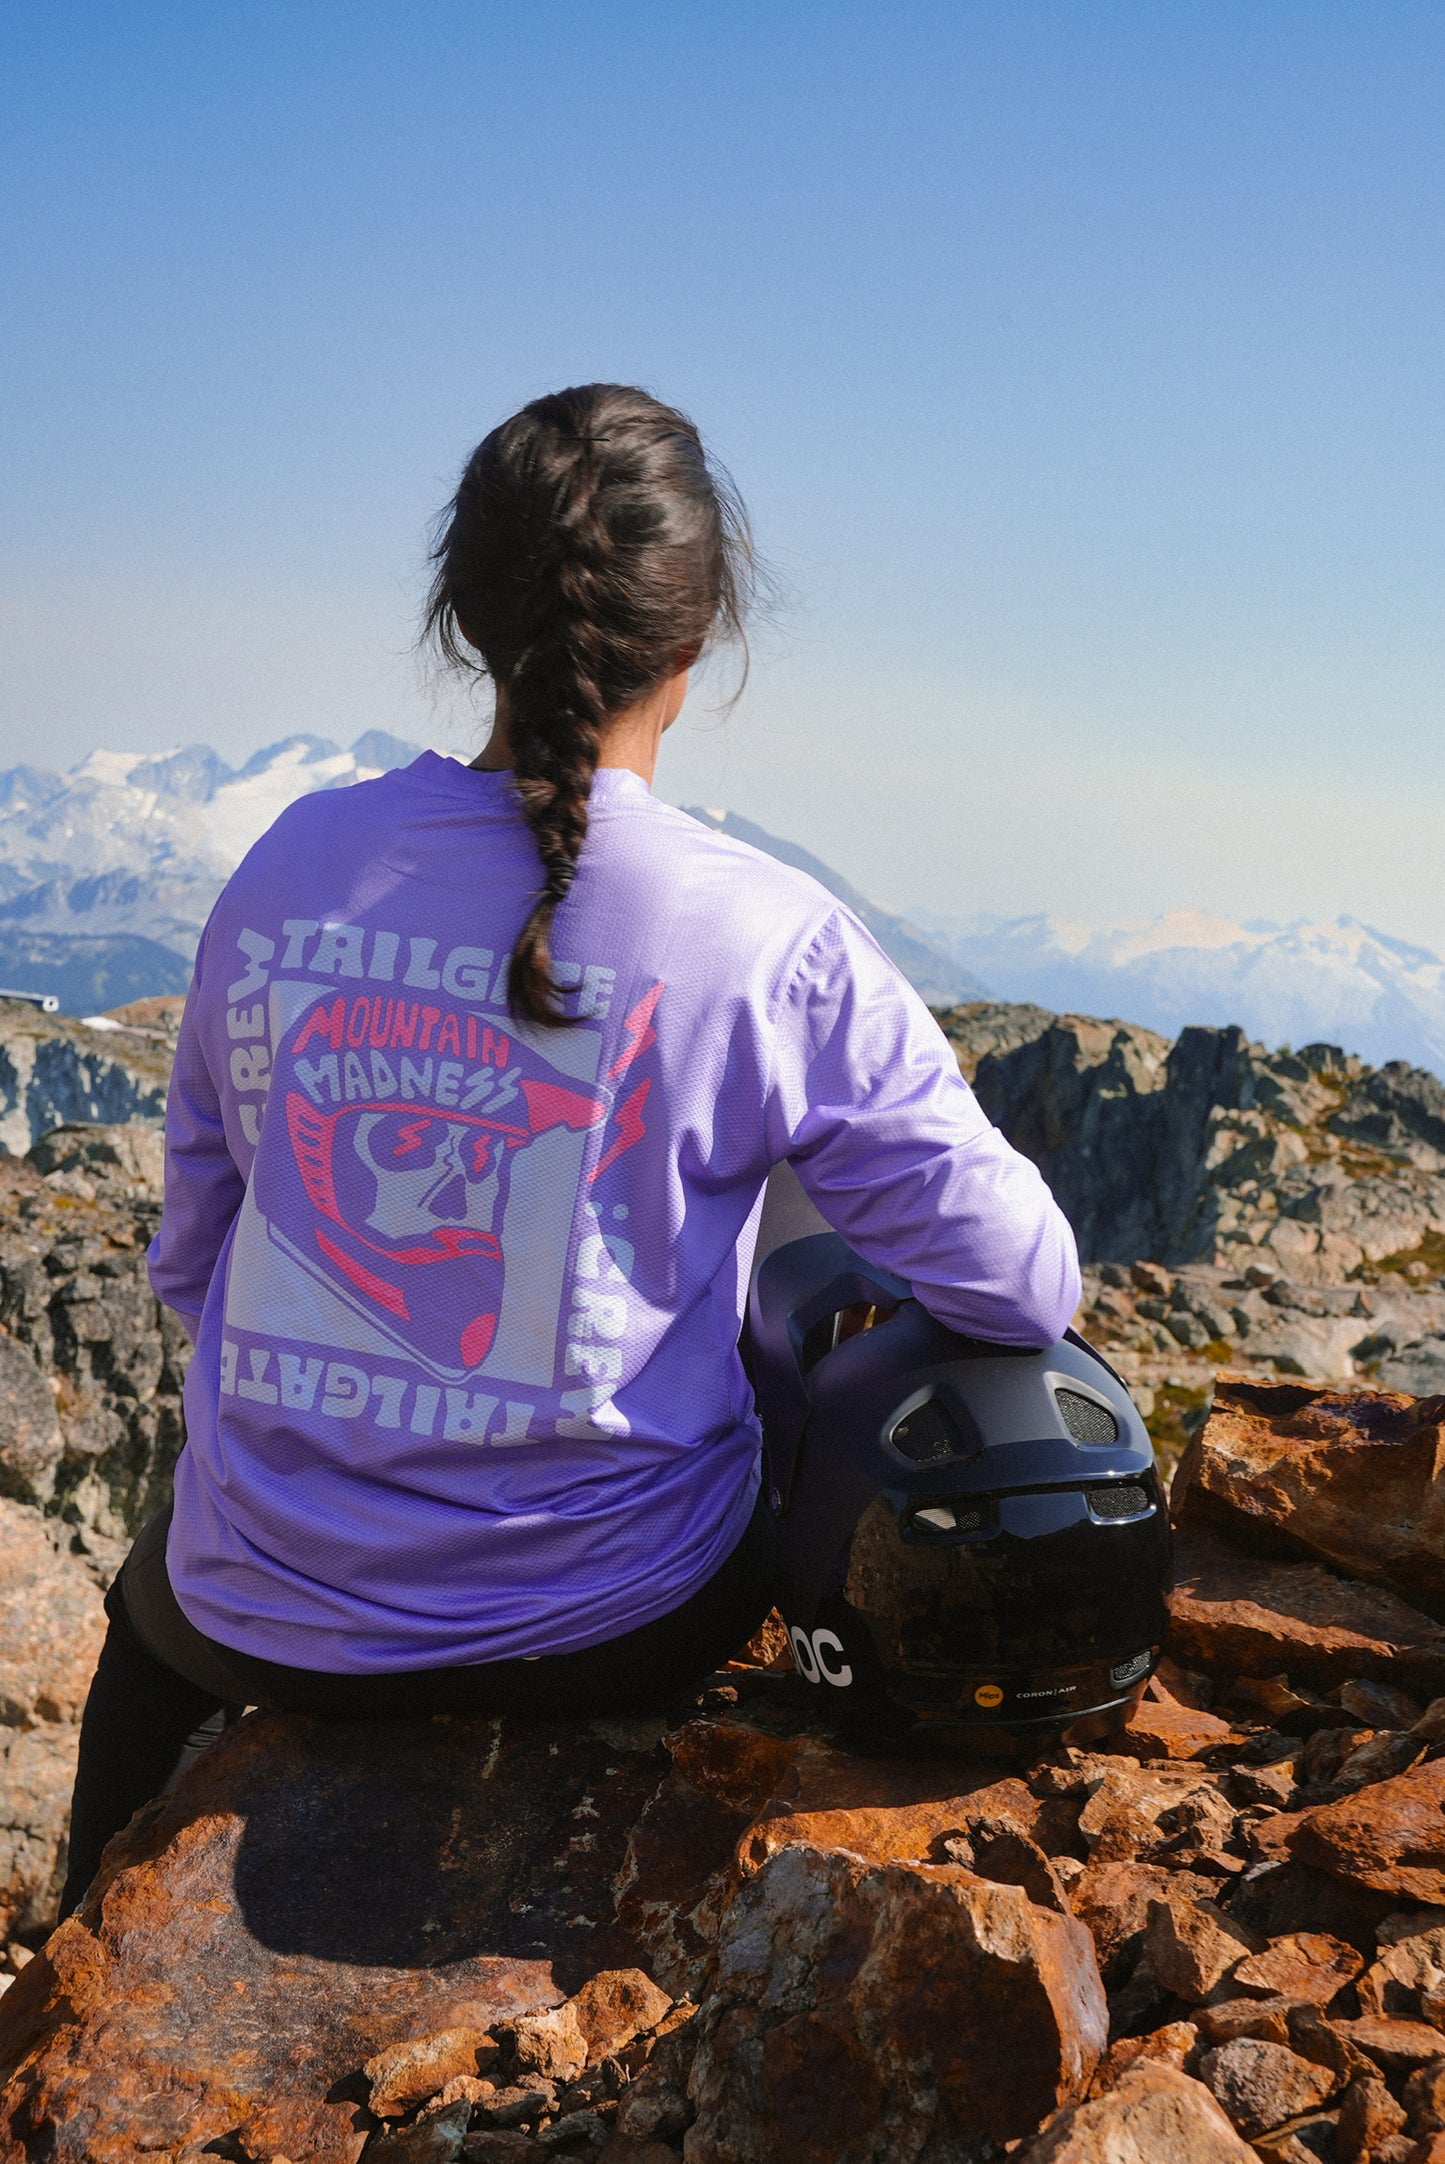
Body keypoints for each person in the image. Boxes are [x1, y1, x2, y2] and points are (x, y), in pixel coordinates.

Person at [60, 383, 1080, 1916]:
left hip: (254, 1606)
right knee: (793, 1177)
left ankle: (79, 1931)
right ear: (699, 637)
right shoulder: (765, 935)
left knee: (146, 1626)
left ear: (462, 613)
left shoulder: (286, 865)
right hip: (612, 1618)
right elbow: (1020, 1289)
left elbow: (198, 1256)